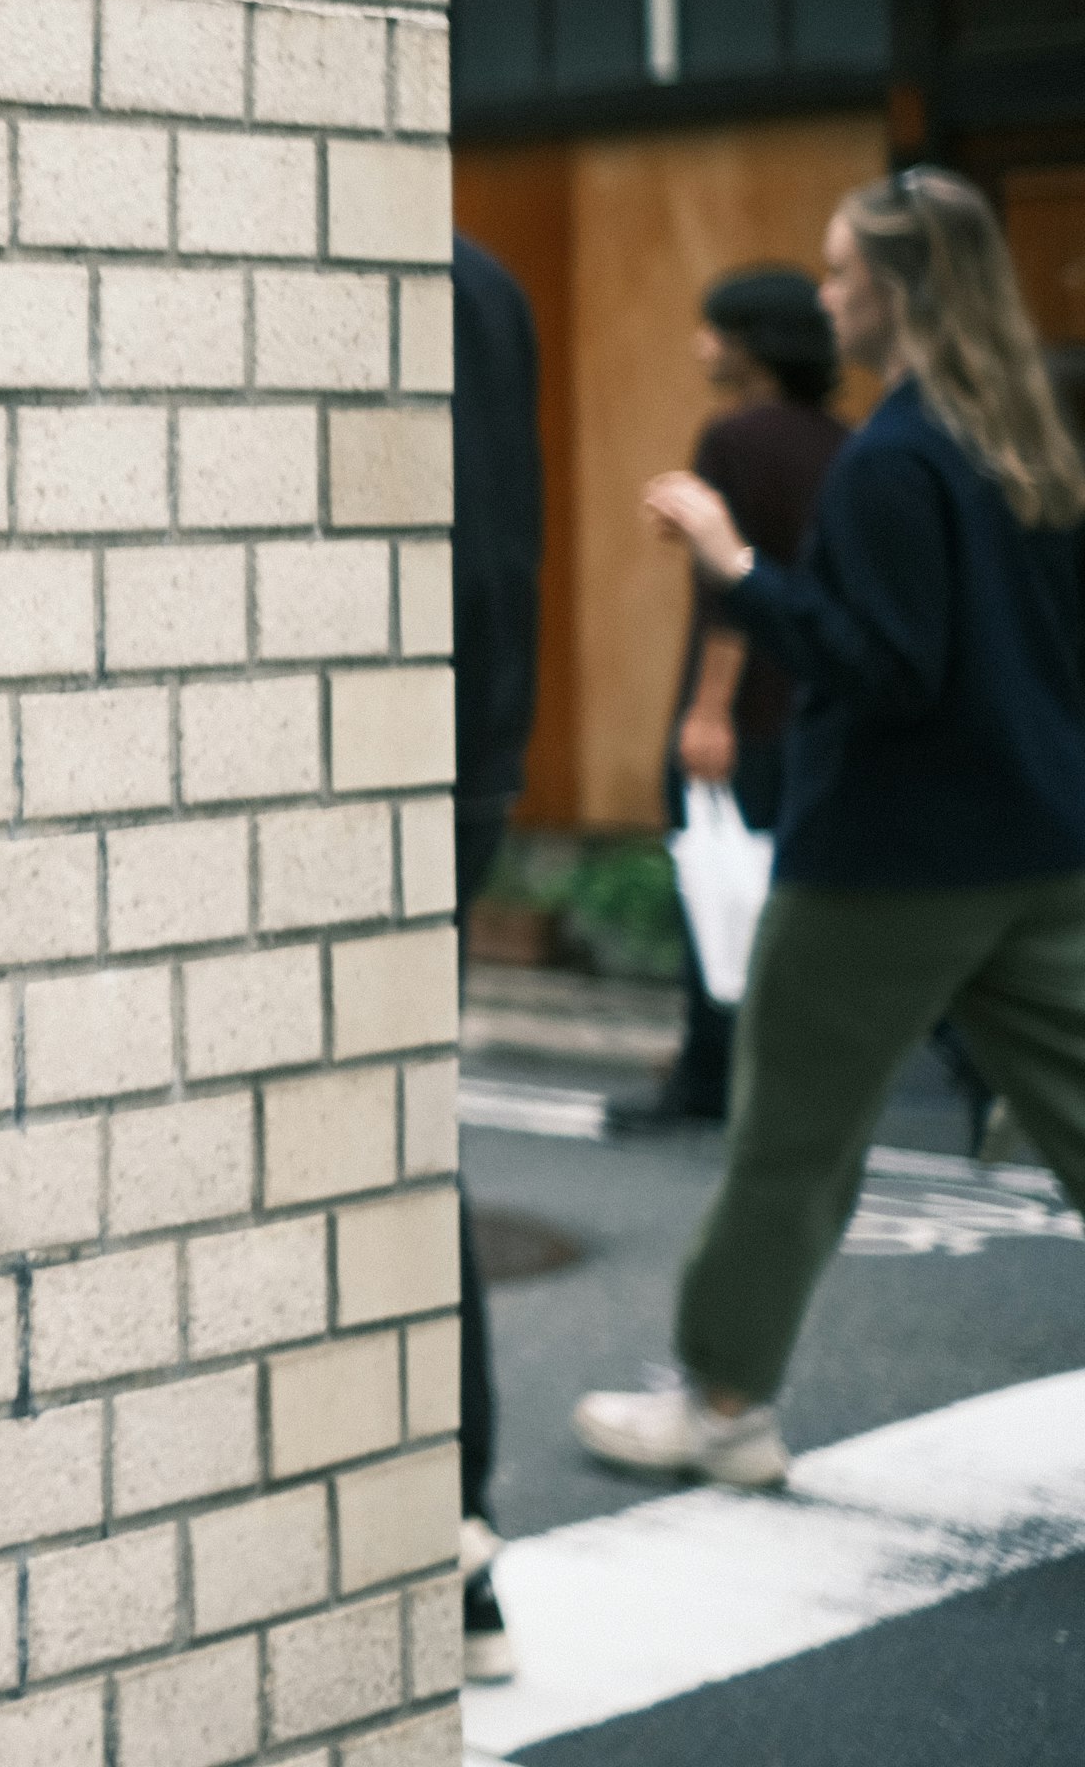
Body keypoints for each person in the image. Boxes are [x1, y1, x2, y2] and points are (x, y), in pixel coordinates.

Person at [578, 168, 1085, 1486]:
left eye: (841, 271)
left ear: (897, 291)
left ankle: (724, 1405)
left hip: (881, 864)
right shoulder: (1030, 437)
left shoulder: (893, 462)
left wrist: (733, 568)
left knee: (791, 1145)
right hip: (1043, 843)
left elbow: (886, 666)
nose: (825, 295)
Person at [610, 269, 847, 1132]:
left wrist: (708, 711)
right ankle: (783, 1076)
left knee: (712, 894)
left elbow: (729, 589)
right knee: (782, 897)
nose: (700, 345)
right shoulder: (839, 439)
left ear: (751, 339)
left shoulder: (733, 439)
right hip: (812, 701)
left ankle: (708, 1081)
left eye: (713, 329)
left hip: (743, 710)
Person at [450, 233, 544, 1679]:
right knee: (413, 1144)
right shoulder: (488, 281)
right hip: (469, 762)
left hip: (383, 760)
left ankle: (453, 1549)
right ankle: (460, 1546)